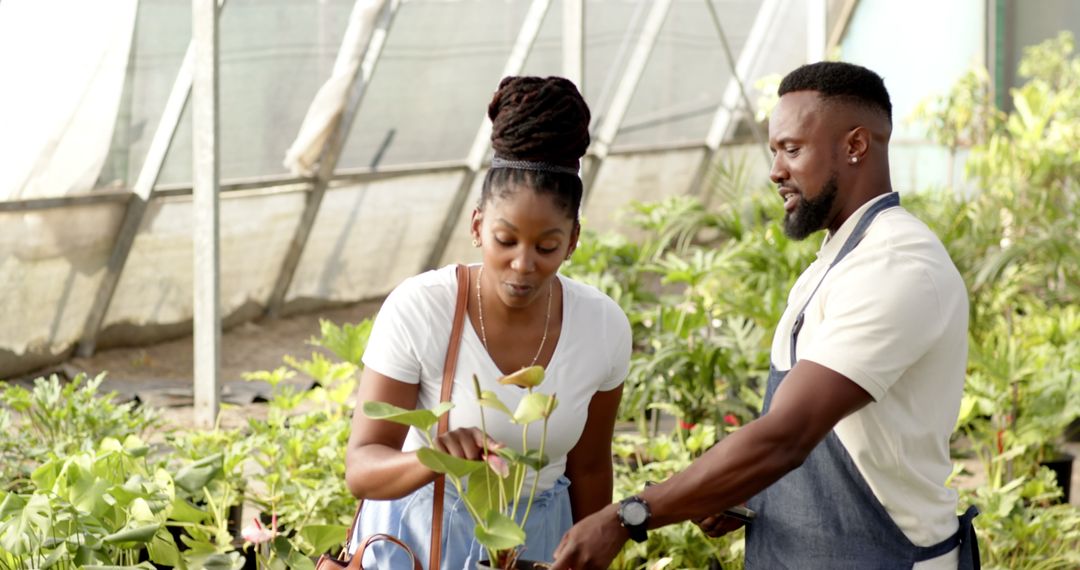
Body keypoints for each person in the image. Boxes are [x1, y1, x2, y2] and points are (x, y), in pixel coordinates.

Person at [551, 62, 978, 570]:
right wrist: (748, 495)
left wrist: (631, 515)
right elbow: (828, 436)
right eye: (774, 151)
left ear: (856, 145)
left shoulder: (897, 264)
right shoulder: (837, 261)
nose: (775, 170)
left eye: (792, 149)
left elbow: (788, 435)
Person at [344, 76, 631, 569]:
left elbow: (588, 469)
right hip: (421, 542)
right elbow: (362, 467)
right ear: (477, 226)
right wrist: (432, 458)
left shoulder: (601, 325)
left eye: (547, 247)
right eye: (505, 240)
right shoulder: (423, 307)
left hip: (539, 541)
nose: (523, 264)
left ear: (574, 240)